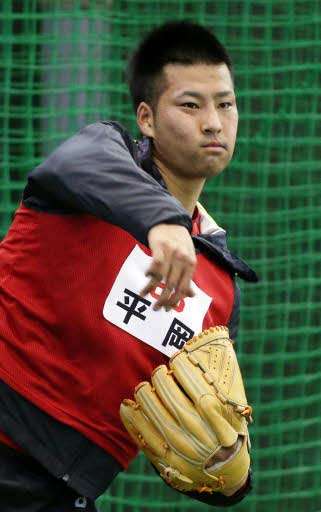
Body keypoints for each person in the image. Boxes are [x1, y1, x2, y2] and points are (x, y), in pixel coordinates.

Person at [0, 20, 258, 511]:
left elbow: (207, 418)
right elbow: (79, 165)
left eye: (225, 103)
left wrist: (229, 468)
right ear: (146, 118)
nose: (213, 122)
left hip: (63, 490)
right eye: (190, 104)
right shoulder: (97, 157)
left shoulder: (221, 287)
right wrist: (164, 221)